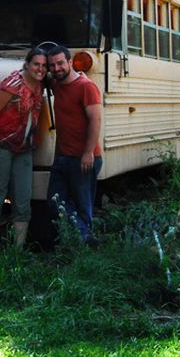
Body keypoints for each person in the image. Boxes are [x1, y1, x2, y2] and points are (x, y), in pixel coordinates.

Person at [0, 48, 47, 249]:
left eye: (44, 66)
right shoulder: (13, 84)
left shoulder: (40, 85)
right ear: (27, 64)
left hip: (24, 149)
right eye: (36, 64)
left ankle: (17, 252)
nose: (40, 69)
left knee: (23, 198)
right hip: (1, 146)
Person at [46, 45, 103, 244]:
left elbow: (95, 120)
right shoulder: (57, 84)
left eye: (61, 63)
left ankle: (84, 247)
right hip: (62, 156)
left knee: (82, 205)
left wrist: (88, 153)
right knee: (54, 201)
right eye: (52, 65)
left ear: (70, 62)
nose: (57, 68)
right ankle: (83, 238)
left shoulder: (86, 87)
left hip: (84, 157)